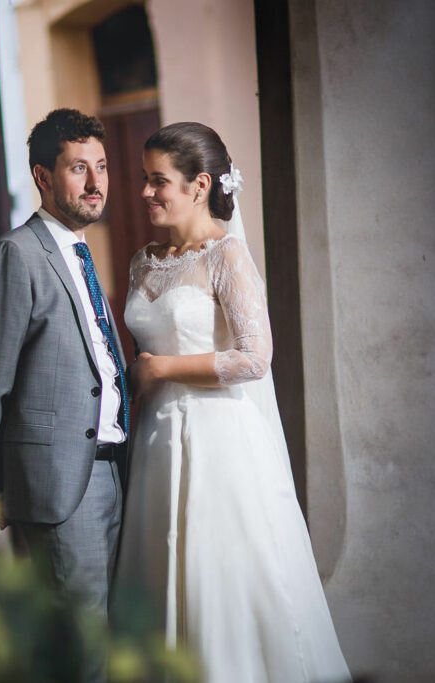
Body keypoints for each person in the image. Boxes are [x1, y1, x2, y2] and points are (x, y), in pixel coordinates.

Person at [117, 121, 350, 682]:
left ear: (199, 185)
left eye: (158, 181)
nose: (146, 192)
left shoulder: (227, 256)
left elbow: (254, 357)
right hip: (154, 446)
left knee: (217, 582)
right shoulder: (142, 261)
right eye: (145, 180)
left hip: (217, 443)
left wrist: (162, 368)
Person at [0, 108, 129, 682]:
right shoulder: (17, 254)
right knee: (81, 653)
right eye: (78, 168)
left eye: (101, 167)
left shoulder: (79, 254)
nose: (94, 182)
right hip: (58, 487)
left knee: (109, 641)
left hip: (113, 471)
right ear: (42, 176)